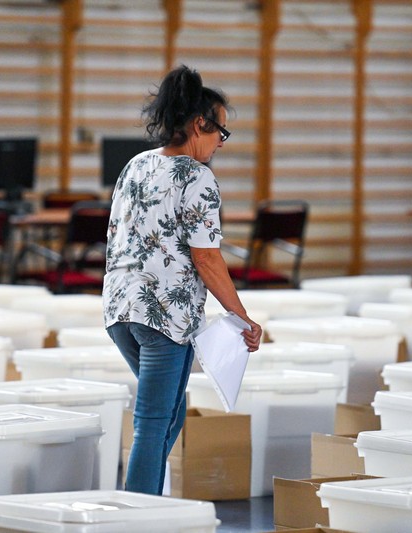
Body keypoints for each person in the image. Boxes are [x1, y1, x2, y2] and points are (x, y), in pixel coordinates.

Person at [103, 65, 263, 495]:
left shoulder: (136, 165)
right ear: (198, 124)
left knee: (169, 413)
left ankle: (145, 502)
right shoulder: (197, 177)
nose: (220, 144)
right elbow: (206, 258)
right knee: (154, 422)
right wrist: (242, 316)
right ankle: (139, 514)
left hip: (119, 310)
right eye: (220, 132)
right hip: (164, 318)